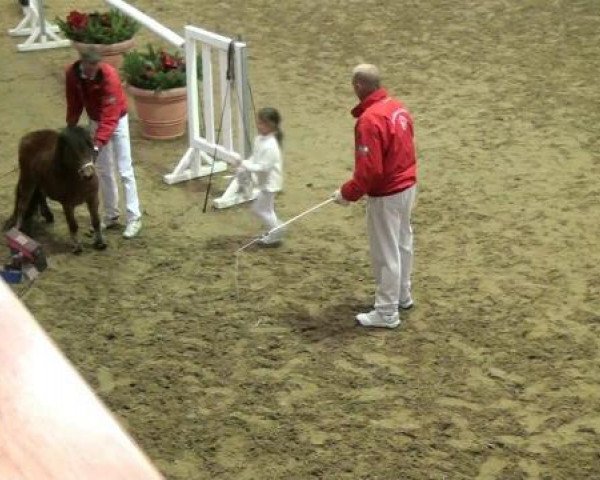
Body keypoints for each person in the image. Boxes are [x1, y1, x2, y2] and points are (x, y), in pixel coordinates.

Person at [333, 64, 417, 329]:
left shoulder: (369, 120)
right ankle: (403, 294)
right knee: (403, 242)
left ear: (358, 86)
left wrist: (347, 193)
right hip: (407, 186)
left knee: (386, 252)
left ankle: (387, 311)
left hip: (387, 194)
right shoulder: (398, 107)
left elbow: (370, 170)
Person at [65, 47, 142, 239]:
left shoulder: (109, 75)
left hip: (117, 120)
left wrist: (98, 144)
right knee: (104, 170)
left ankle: (134, 218)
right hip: (95, 120)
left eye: (96, 66)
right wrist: (70, 127)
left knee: (125, 170)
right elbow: (74, 102)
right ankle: (111, 215)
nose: (93, 70)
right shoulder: (72, 74)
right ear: (82, 62)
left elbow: (110, 115)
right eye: (90, 66)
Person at [237, 107, 284, 246]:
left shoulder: (271, 146)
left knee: (258, 209)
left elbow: (264, 167)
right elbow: (255, 157)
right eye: (258, 122)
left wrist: (245, 165)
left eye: (262, 123)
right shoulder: (259, 139)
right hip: (265, 181)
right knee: (267, 210)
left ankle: (277, 230)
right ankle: (275, 232)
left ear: (271, 125)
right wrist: (245, 163)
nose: (258, 126)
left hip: (270, 183)